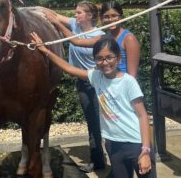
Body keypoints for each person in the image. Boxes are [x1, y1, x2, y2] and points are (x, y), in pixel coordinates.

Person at [31, 33, 155, 178]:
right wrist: (45, 50)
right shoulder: (96, 77)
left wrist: (145, 150)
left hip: (136, 143)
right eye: (99, 58)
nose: (105, 62)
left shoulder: (128, 82)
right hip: (113, 144)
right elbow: (69, 69)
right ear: (95, 61)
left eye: (109, 57)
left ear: (119, 58)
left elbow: (143, 116)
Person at [45, 0, 106, 172]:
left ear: (89, 16)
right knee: (92, 122)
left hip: (97, 84)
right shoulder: (74, 24)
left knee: (101, 123)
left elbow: (76, 41)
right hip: (82, 82)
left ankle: (106, 159)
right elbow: (55, 16)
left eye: (79, 12)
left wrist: (57, 24)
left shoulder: (100, 35)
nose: (75, 15)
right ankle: (98, 159)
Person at [43, 1, 140, 77]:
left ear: (121, 17)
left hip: (121, 87)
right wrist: (56, 23)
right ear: (102, 19)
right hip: (105, 84)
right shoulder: (105, 37)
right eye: (106, 17)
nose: (110, 20)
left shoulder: (129, 38)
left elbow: (132, 76)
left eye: (114, 16)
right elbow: (77, 41)